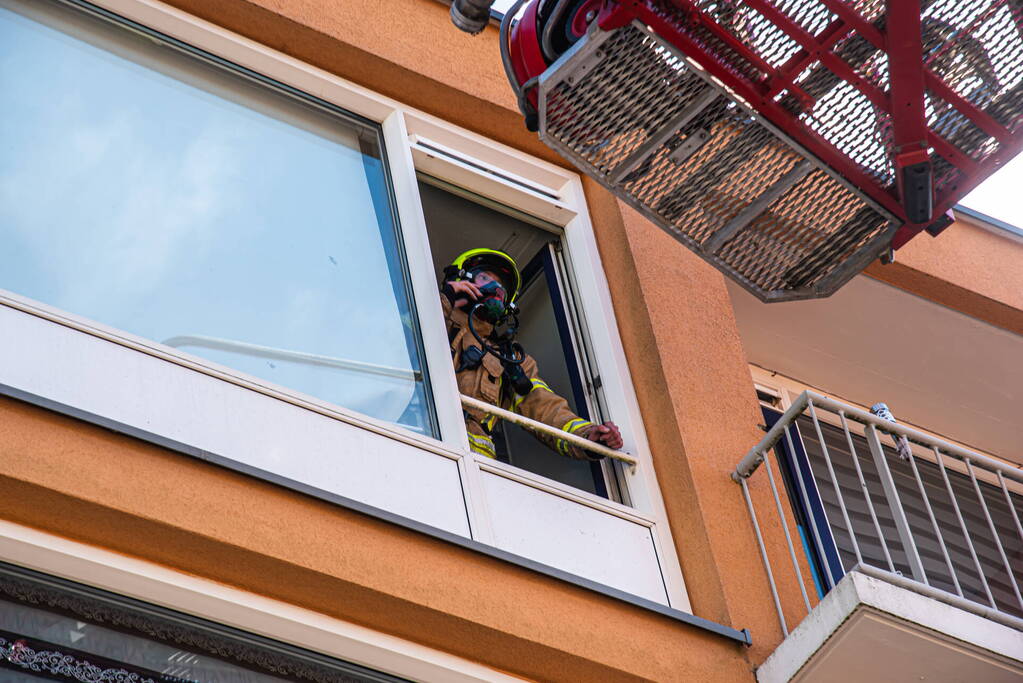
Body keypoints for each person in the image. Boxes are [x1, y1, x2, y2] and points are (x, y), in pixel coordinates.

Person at [440, 248, 623, 461]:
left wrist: (587, 437)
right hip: (417, 442)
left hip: (472, 471)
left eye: (502, 286)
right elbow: (399, 339)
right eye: (484, 277)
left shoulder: (508, 359)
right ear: (461, 277)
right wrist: (446, 300)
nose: (495, 288)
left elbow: (543, 407)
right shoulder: (428, 312)